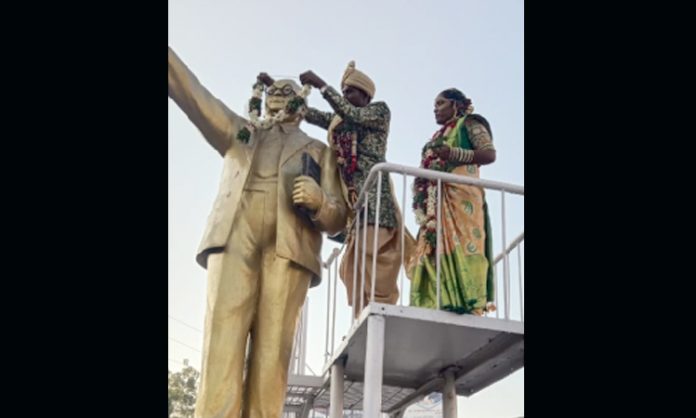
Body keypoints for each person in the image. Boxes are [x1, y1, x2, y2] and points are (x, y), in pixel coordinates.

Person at [168, 46, 347, 418]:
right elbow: (197, 99)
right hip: (235, 236)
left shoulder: (318, 150)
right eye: (272, 91)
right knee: (221, 342)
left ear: (300, 104)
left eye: (285, 90)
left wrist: (320, 202)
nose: (277, 94)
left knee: (272, 355)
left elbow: (340, 219)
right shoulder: (241, 134)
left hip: (289, 247)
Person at [294, 61, 402, 317]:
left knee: (372, 255)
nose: (346, 97)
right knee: (350, 266)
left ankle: (380, 311)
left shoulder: (378, 111)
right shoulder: (341, 117)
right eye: (343, 92)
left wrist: (322, 85)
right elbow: (314, 116)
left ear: (365, 94)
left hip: (376, 197)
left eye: (350, 92)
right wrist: (283, 93)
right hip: (354, 202)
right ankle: (361, 316)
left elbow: (352, 115)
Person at [407, 88, 497, 316]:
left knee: (466, 245)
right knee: (431, 245)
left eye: (441, 103)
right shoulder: (434, 139)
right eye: (434, 104)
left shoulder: (470, 123)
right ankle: (435, 301)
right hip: (435, 202)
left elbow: (489, 154)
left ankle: (470, 302)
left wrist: (454, 154)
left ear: (456, 105)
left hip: (461, 198)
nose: (435, 108)